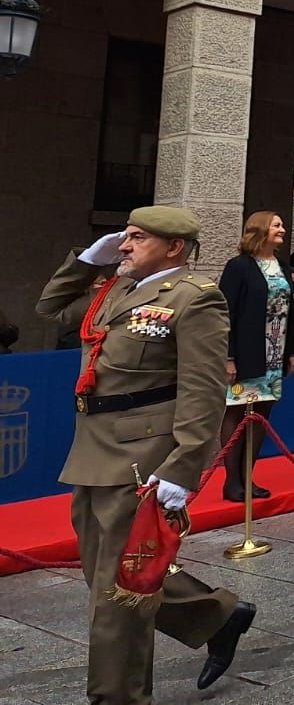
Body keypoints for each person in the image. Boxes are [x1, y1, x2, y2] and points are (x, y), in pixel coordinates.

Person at [35, 206, 257, 701]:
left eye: (137, 238)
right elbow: (50, 309)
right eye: (125, 237)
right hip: (95, 445)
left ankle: (117, 697)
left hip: (143, 452)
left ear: (173, 247)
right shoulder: (116, 287)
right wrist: (88, 261)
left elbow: (202, 390)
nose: (125, 245)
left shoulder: (194, 298)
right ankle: (216, 614)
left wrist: (183, 467)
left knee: (117, 593)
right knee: (104, 572)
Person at [217, 212, 294, 502]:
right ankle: (232, 481)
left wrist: (291, 351)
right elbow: (224, 313)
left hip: (275, 352)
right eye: (277, 225)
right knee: (238, 411)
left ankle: (247, 476)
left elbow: (289, 313)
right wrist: (228, 356)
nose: (283, 229)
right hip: (246, 352)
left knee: (262, 415)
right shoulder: (238, 267)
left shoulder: (281, 265)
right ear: (261, 229)